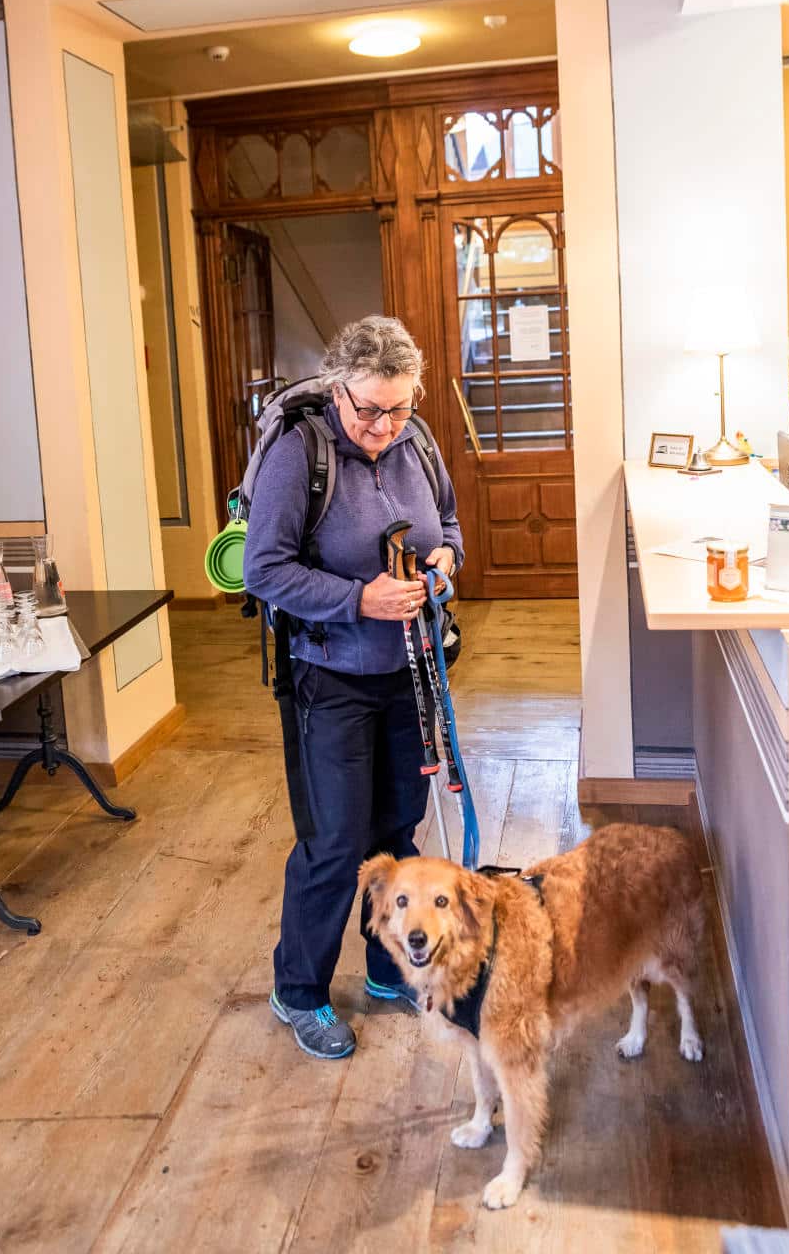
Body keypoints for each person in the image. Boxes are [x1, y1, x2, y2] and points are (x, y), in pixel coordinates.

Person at [243, 314, 463, 1059]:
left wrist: (443, 565)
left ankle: (384, 967)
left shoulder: (419, 443)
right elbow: (263, 571)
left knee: (395, 832)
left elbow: (452, 527)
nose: (381, 425)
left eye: (398, 408)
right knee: (334, 843)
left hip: (409, 673)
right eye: (367, 408)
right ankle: (298, 989)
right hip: (328, 677)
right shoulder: (298, 454)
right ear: (338, 391)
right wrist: (357, 600)